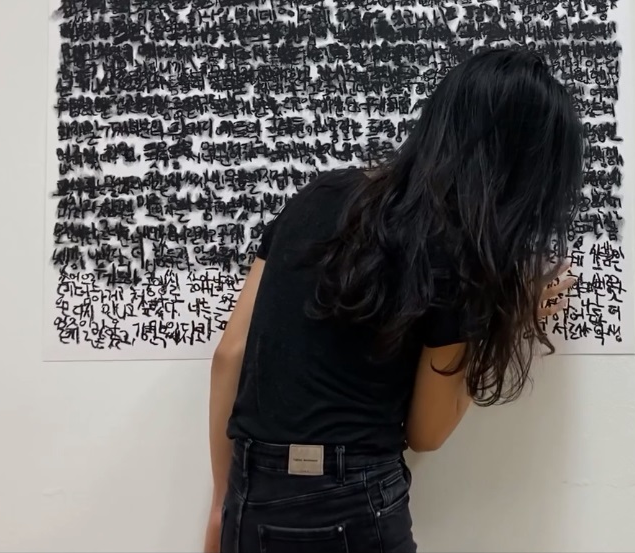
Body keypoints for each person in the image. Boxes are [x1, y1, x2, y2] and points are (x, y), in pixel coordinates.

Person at [204, 47, 584, 553]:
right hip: (351, 502)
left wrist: (221, 504)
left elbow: (230, 353)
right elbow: (427, 432)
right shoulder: (456, 252)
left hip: (253, 494)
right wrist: (504, 317)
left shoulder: (318, 196)